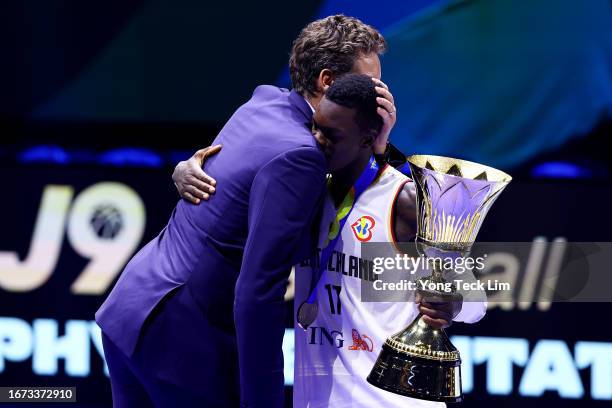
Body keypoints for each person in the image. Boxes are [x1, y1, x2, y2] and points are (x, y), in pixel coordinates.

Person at [96, 15, 395, 408]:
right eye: (371, 85)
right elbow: (257, 293)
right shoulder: (301, 155)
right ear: (327, 81)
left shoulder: (263, 102)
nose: (380, 97)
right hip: (182, 346)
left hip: (132, 311)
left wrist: (378, 143)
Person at [177, 74, 487, 407]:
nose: (317, 139)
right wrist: (182, 171)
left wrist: (453, 301)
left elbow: (475, 303)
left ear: (368, 139)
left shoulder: (404, 200)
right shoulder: (304, 190)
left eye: (332, 134)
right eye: (315, 127)